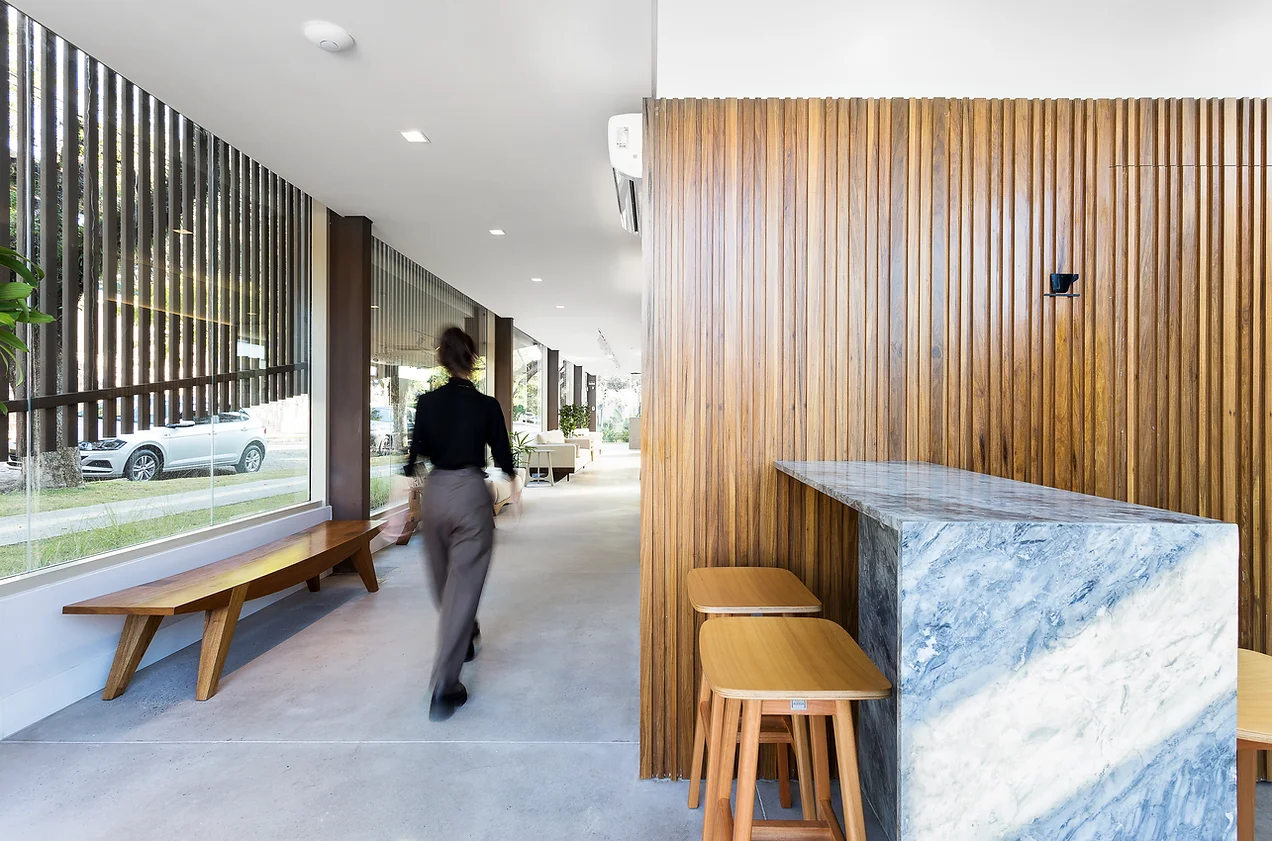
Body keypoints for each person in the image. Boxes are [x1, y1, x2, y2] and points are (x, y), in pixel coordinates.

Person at [404, 326, 519, 721]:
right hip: (470, 493)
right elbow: (503, 457)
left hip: (435, 495)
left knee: (444, 583)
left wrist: (405, 501)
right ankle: (445, 685)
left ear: (441, 358)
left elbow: (414, 457)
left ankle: (465, 631)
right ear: (473, 360)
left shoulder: (426, 403)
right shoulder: (486, 405)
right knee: (463, 585)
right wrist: (514, 489)